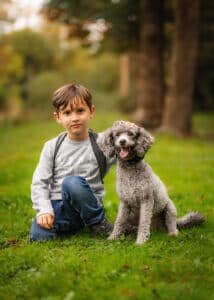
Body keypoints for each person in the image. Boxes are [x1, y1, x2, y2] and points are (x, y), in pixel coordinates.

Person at [29, 83, 116, 242]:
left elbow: (128, 159)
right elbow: (39, 182)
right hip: (60, 207)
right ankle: (75, 226)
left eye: (80, 111)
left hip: (88, 204)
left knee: (72, 182)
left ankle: (98, 223)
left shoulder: (102, 143)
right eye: (67, 113)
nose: (74, 118)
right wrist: (44, 210)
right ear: (58, 117)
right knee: (38, 235)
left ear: (91, 111)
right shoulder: (52, 146)